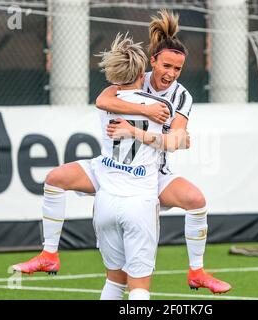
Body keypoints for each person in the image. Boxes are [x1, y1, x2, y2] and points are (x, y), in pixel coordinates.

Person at [96, 10, 231, 294]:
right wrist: (144, 112)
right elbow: (102, 99)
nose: (170, 74)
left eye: (177, 69)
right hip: (117, 169)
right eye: (166, 65)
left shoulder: (182, 96)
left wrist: (140, 132)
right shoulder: (135, 79)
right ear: (152, 61)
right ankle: (49, 250)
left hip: (155, 172)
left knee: (196, 200)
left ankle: (196, 271)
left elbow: (177, 140)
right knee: (58, 179)